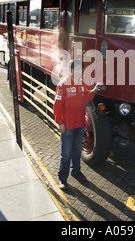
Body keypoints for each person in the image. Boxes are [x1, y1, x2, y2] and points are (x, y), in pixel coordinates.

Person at [53, 60, 104, 190]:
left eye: (80, 70)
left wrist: (94, 90)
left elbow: (86, 97)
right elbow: (57, 106)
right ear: (70, 70)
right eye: (75, 70)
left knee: (76, 151)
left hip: (80, 125)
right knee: (66, 154)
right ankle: (62, 179)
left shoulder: (81, 83)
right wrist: (60, 123)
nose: (78, 72)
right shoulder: (63, 85)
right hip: (68, 126)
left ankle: (76, 171)